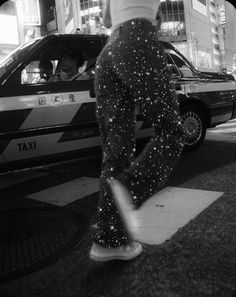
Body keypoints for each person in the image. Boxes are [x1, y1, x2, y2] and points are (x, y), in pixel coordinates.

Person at [89, 0, 184, 262]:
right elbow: (157, 19)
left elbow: (107, 20)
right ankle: (126, 194)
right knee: (171, 134)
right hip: (138, 38)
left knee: (115, 151)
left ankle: (109, 240)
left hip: (109, 49)